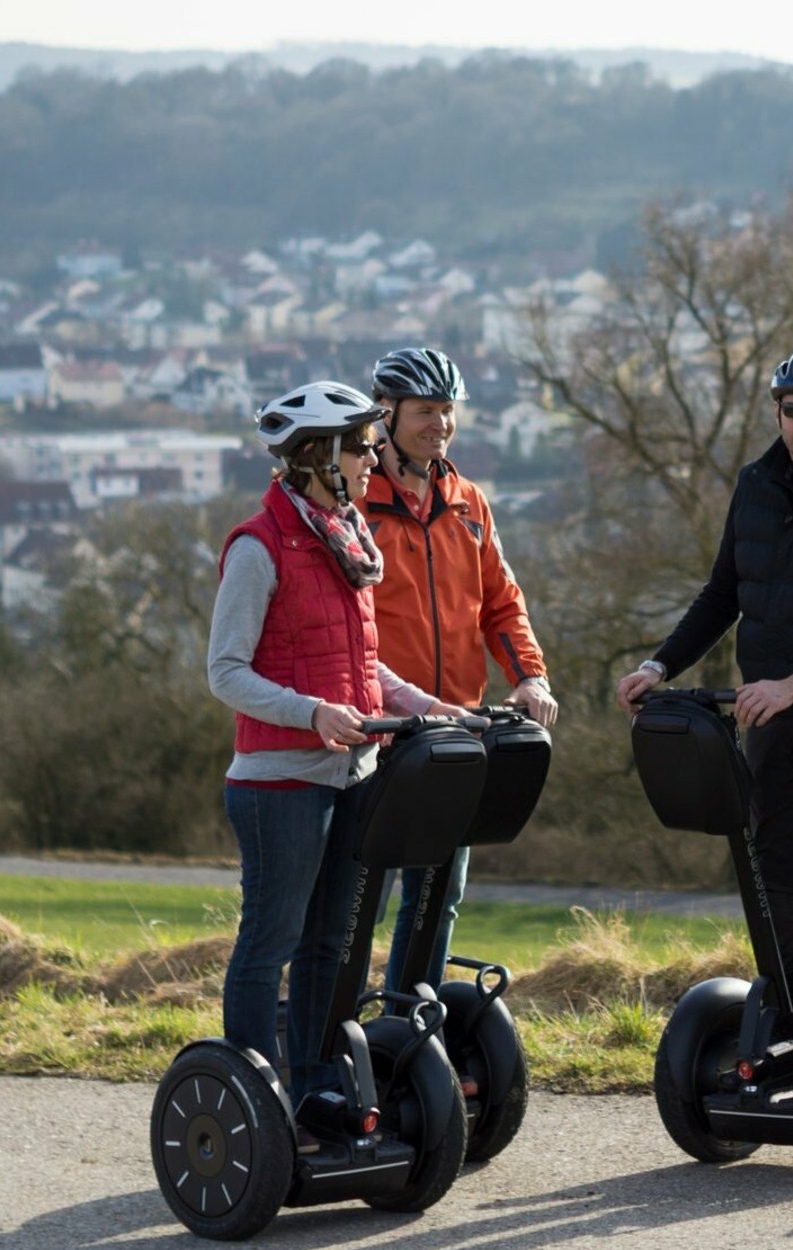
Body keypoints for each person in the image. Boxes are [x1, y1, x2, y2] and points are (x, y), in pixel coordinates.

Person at [614, 348, 793, 1049]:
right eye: (792, 411)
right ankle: (790, 1012)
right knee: (773, 863)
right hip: (766, 716)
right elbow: (723, 594)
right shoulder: (754, 485)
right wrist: (660, 665)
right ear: (777, 412)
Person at [208, 380, 470, 1148]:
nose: (372, 456)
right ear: (319, 455)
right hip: (280, 785)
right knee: (271, 945)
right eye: (359, 445)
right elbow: (225, 672)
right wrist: (311, 713)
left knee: (331, 944)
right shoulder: (258, 547)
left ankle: (317, 1085)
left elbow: (365, 668)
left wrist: (427, 706)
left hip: (353, 776)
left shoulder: (348, 539)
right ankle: (252, 1099)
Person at [359, 347, 558, 1001]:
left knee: (438, 895)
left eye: (448, 411)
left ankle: (407, 1023)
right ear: (384, 414)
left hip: (456, 733)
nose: (440, 424)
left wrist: (530, 677)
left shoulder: (468, 502)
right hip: (378, 734)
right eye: (425, 411)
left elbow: (501, 602)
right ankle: (333, 1032)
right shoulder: (360, 504)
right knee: (358, 900)